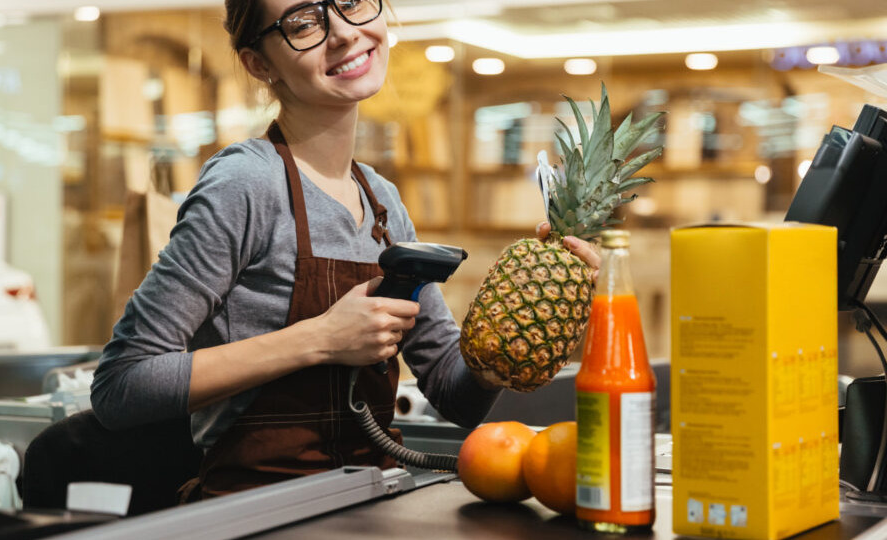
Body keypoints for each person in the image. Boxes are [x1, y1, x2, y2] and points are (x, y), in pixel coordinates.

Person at [90, 0, 599, 502]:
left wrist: (517, 328)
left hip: (372, 501)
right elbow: (122, 385)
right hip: (258, 509)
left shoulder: (382, 202)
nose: (343, 32)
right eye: (304, 21)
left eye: (351, 2)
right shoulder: (246, 183)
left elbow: (454, 392)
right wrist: (320, 339)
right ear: (259, 63)